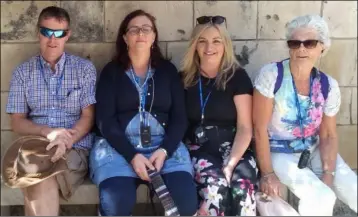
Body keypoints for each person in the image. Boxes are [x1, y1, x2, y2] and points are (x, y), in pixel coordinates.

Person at [89, 9, 198, 216]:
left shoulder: (168, 71)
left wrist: (165, 150)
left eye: (146, 29)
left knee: (184, 204)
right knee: (116, 205)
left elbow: (180, 118)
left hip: (163, 148)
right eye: (134, 30)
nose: (140, 33)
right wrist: (132, 155)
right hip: (119, 150)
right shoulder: (111, 72)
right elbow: (105, 121)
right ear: (125, 37)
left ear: (154, 36)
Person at [253, 14, 357, 216]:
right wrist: (267, 173)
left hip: (313, 148)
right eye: (295, 43)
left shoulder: (328, 85)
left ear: (322, 47)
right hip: (278, 151)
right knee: (321, 198)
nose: (301, 49)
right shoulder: (272, 76)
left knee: (354, 190)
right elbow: (259, 129)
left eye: (309, 43)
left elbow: (328, 134)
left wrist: (328, 173)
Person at [5, 6, 97, 216]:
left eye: (59, 33)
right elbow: (17, 122)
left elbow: (88, 116)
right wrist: (48, 132)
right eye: (47, 32)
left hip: (75, 147)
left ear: (67, 35)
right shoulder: (22, 72)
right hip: (36, 145)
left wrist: (66, 140)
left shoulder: (84, 69)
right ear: (38, 32)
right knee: (37, 173)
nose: (52, 39)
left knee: (36, 178)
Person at [181, 16, 258, 216]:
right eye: (202, 41)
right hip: (198, 148)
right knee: (215, 190)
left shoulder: (237, 77)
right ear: (195, 45)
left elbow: (245, 128)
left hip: (235, 147)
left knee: (243, 189)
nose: (209, 47)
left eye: (216, 41)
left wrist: (231, 163)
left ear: (225, 45)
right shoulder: (184, 79)